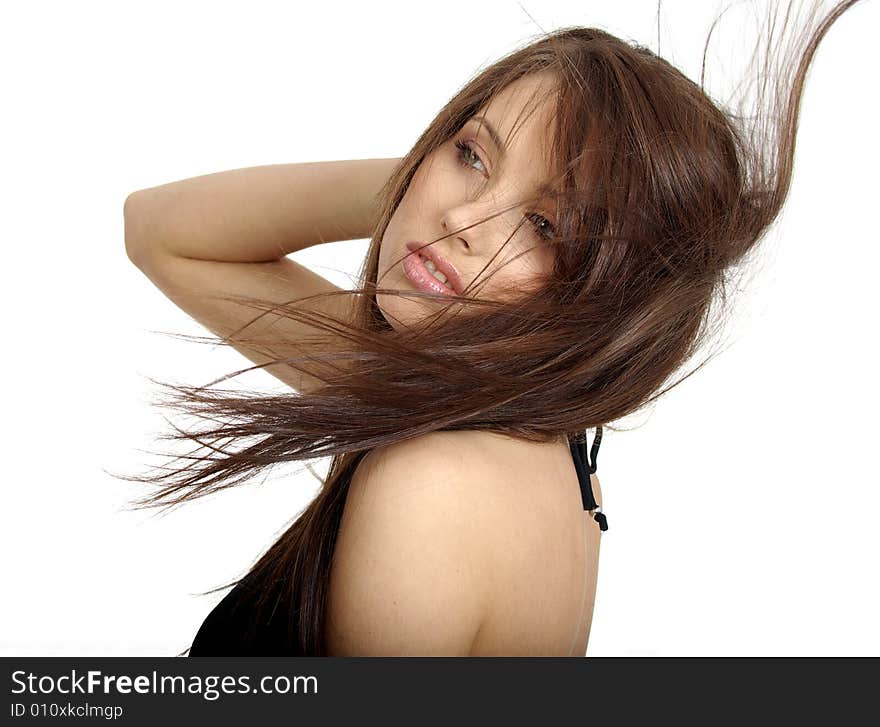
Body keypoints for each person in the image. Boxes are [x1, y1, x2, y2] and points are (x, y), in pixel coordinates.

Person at [120, 1, 861, 656]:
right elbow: (157, 230)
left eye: (544, 225)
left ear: (606, 303)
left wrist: (459, 176)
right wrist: (419, 178)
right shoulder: (537, 445)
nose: (463, 219)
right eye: (471, 153)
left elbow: (163, 236)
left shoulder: (432, 481)